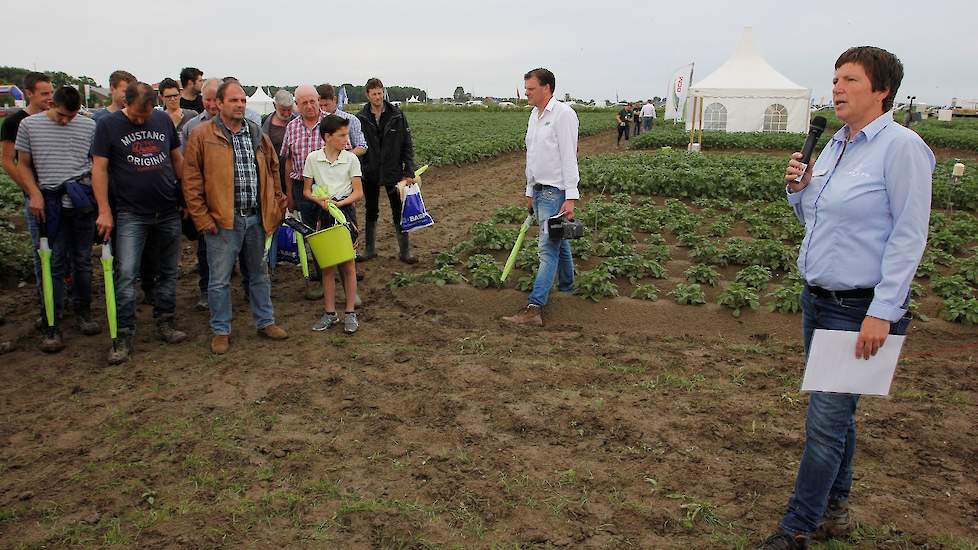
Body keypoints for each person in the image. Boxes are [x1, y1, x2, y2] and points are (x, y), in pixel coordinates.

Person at [755, 47, 935, 550]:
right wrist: (799, 190)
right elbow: (817, 223)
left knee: (826, 424)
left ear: (881, 91)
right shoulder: (834, 146)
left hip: (859, 309)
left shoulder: (902, 149)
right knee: (836, 413)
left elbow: (909, 235)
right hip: (818, 300)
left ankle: (796, 528)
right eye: (834, 79)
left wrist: (884, 309)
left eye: (849, 80)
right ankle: (835, 510)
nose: (836, 88)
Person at [182, 79, 288, 355]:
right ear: (218, 104)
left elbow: (273, 169)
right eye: (234, 100)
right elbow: (191, 180)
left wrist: (275, 203)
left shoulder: (255, 133)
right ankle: (221, 330)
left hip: (254, 217)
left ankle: (265, 321)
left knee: (259, 274)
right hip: (221, 221)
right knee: (219, 280)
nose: (240, 105)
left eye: (242, 100)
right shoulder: (202, 135)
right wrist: (202, 218)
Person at [91, 82, 189, 364]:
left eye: (145, 115)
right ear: (126, 102)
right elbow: (99, 169)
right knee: (127, 273)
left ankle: (165, 321)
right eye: (135, 115)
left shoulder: (161, 119)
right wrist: (104, 210)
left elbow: (175, 157)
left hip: (167, 208)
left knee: (169, 269)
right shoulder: (108, 125)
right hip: (131, 212)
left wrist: (184, 195)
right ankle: (123, 334)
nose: (140, 120)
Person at [14, 86, 100, 352]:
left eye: (71, 116)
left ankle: (84, 312)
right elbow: (23, 165)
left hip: (80, 201)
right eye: (62, 115)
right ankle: (52, 323)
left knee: (83, 260)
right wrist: (34, 194)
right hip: (50, 203)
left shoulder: (88, 126)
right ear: (52, 104)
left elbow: (96, 164)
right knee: (55, 263)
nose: (66, 121)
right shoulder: (29, 125)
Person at [502, 68, 579, 327]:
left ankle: (534, 307)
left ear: (546, 88)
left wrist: (570, 197)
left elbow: (569, 157)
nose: (526, 94)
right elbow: (531, 157)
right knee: (559, 241)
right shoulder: (534, 116)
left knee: (547, 249)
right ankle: (568, 288)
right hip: (539, 191)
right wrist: (529, 191)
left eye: (531, 89)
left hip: (555, 192)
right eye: (526, 89)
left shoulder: (563, 115)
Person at [1, 72, 54, 348]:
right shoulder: (15, 122)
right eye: (44, 94)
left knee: (64, 252)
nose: (49, 98)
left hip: (59, 195)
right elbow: (8, 161)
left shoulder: (54, 117)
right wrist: (31, 190)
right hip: (36, 197)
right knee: (41, 253)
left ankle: (63, 301)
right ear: (29, 93)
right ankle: (47, 308)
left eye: (51, 93)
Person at [302, 115, 363, 334]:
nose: (347, 140)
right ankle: (330, 313)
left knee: (348, 265)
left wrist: (339, 203)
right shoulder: (312, 159)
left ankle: (349, 313)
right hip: (324, 214)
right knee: (327, 266)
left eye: (347, 135)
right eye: (342, 135)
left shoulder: (351, 160)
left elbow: (358, 192)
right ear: (327, 137)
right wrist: (319, 201)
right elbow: (306, 190)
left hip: (345, 214)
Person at [356, 78, 418, 264]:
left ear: (384, 92)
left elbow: (407, 144)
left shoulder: (397, 115)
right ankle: (369, 250)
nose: (377, 96)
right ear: (368, 95)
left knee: (398, 210)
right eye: (374, 93)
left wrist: (409, 169)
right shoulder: (361, 117)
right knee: (371, 210)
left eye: (380, 92)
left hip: (393, 170)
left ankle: (405, 252)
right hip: (370, 171)